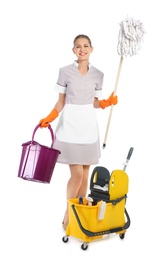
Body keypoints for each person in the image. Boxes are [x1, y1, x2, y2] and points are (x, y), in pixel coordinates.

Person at [39, 34, 118, 230]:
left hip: (88, 127)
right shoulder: (65, 72)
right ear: (73, 50)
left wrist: (106, 103)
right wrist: (49, 117)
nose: (82, 49)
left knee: (85, 174)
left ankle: (80, 213)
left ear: (91, 49)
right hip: (70, 127)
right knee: (77, 176)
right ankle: (68, 213)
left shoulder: (98, 75)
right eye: (78, 46)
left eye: (85, 46)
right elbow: (61, 102)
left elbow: (94, 102)